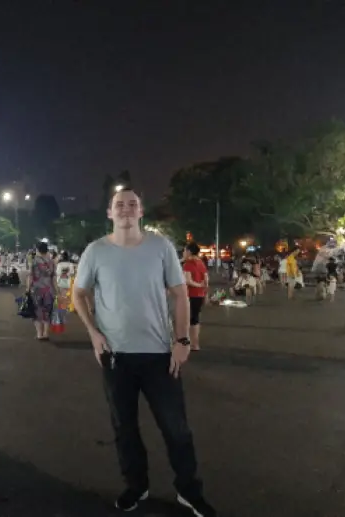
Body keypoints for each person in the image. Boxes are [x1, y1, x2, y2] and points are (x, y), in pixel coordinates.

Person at [72, 189, 216, 516]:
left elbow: (180, 294)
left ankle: (188, 490)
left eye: (132, 204)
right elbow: (79, 294)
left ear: (141, 212)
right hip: (116, 356)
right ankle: (136, 486)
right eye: (119, 205)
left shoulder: (160, 247)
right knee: (125, 428)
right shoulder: (95, 252)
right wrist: (94, 334)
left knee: (176, 428)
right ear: (109, 213)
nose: (125, 209)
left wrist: (181, 341)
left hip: (159, 355)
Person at [27, 242, 57, 340]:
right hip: (49, 290)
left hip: (37, 290)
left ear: (37, 250)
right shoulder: (52, 262)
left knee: (36, 311)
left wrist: (27, 288)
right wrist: (56, 290)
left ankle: (39, 334)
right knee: (48, 312)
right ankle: (46, 333)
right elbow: (54, 278)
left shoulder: (34, 261)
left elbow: (31, 276)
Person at [182, 242, 208, 351]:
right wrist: (204, 290)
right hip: (200, 295)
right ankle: (195, 344)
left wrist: (198, 285)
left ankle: (186, 343)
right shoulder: (201, 263)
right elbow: (206, 279)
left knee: (186, 319)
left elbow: (187, 281)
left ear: (189, 251)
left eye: (184, 250)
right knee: (195, 319)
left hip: (190, 295)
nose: (183, 253)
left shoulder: (188, 264)